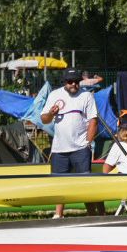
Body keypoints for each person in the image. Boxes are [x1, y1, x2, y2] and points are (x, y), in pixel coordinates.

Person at [44, 67, 99, 218]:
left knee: (85, 184)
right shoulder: (55, 95)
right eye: (70, 82)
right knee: (59, 184)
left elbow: (93, 120)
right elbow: (44, 119)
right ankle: (58, 214)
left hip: (81, 148)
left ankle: (92, 215)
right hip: (59, 149)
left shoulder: (86, 96)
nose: (74, 84)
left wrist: (88, 143)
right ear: (64, 82)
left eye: (76, 81)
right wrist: (51, 113)